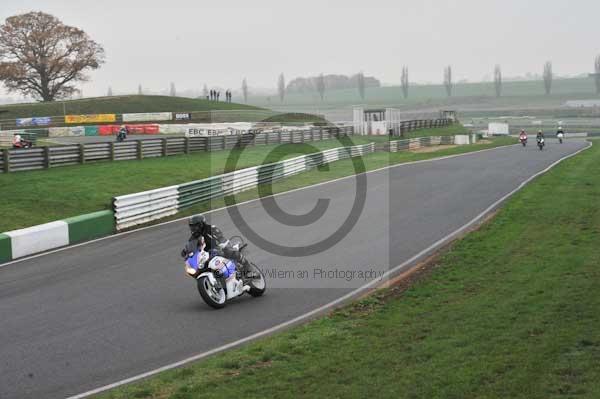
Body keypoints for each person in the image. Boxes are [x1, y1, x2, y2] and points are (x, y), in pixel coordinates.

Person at [182, 214, 249, 271]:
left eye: (195, 226)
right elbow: (190, 246)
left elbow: (221, 237)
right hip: (207, 256)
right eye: (191, 226)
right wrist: (186, 252)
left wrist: (222, 243)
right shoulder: (193, 237)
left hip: (219, 249)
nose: (193, 228)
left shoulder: (211, 228)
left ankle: (248, 268)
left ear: (201, 224)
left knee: (230, 252)